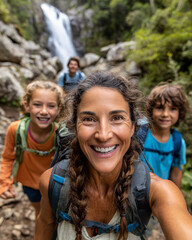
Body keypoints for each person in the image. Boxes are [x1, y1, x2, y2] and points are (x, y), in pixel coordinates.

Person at [34, 72, 192, 240]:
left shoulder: (158, 192)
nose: (103, 135)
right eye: (89, 119)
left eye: (117, 118)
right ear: (75, 128)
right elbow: (44, 224)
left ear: (132, 127)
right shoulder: (53, 183)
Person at [0, 80, 64, 218]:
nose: (44, 111)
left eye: (51, 106)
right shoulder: (16, 130)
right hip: (29, 185)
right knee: (40, 213)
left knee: (53, 215)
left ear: (59, 109)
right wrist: (4, 183)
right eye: (37, 104)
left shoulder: (61, 134)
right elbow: (7, 157)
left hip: (53, 186)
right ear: (27, 106)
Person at [139, 83, 189, 188]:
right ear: (151, 110)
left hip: (162, 195)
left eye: (173, 109)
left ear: (180, 112)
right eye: (160, 108)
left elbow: (176, 173)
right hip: (137, 193)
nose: (165, 114)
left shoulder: (178, 142)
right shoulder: (140, 135)